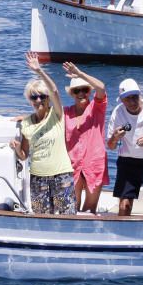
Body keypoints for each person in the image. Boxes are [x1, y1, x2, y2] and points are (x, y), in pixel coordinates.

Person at [9, 52, 76, 215]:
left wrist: (39, 70)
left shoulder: (56, 115)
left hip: (61, 176)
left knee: (66, 217)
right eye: (34, 97)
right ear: (29, 100)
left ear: (48, 99)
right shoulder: (26, 123)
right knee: (41, 217)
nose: (38, 100)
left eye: (42, 96)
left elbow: (54, 90)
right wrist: (17, 148)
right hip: (38, 178)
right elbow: (24, 155)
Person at [61, 62, 107, 214]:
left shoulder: (96, 108)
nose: (81, 93)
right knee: (71, 208)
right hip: (72, 165)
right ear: (72, 93)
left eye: (85, 90)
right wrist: (26, 118)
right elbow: (45, 116)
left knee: (89, 210)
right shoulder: (65, 112)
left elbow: (101, 87)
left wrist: (80, 74)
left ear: (89, 92)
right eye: (77, 90)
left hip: (94, 164)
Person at [108, 79, 143, 216]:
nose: (132, 102)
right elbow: (110, 146)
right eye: (127, 99)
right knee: (124, 206)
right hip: (128, 161)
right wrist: (115, 137)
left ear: (140, 95)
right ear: (121, 100)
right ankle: (122, 233)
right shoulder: (118, 113)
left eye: (135, 97)